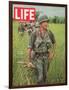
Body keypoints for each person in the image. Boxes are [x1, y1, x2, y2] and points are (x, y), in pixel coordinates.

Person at [28, 15, 56, 84]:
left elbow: (54, 43)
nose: (46, 23)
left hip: (46, 58)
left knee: (45, 76)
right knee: (40, 77)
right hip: (37, 58)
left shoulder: (49, 33)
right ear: (40, 23)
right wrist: (29, 61)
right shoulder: (34, 33)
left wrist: (52, 53)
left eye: (47, 21)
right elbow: (29, 48)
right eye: (44, 22)